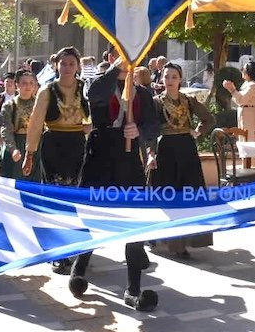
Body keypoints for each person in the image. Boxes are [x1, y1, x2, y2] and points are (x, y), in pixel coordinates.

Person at [69, 59, 159, 309]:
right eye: (121, 58)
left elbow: (153, 124)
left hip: (129, 159)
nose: (127, 64)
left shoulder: (142, 93)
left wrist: (139, 131)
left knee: (135, 216)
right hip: (100, 155)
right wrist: (115, 70)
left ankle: (133, 287)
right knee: (93, 212)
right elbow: (95, 97)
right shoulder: (99, 83)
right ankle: (80, 264)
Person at [22, 47, 92, 274]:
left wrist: (90, 128)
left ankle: (73, 246)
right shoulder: (47, 90)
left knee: (73, 197)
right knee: (54, 196)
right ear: (56, 65)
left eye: (72, 63)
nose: (68, 68)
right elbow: (35, 123)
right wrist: (29, 153)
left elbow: (90, 115)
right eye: (64, 64)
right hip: (54, 145)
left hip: (76, 145)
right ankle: (56, 251)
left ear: (78, 66)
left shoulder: (83, 88)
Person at [148, 62, 215, 258]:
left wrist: (197, 132)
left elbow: (208, 119)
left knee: (189, 194)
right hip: (165, 149)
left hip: (186, 149)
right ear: (162, 78)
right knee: (166, 194)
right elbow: (151, 130)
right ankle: (165, 239)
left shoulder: (189, 100)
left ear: (180, 79)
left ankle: (185, 240)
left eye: (174, 77)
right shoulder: (156, 102)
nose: (169, 81)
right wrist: (151, 153)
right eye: (166, 77)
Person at [0, 69, 42, 181]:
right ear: (17, 85)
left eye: (31, 83)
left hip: (36, 146)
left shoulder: (40, 105)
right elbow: (6, 129)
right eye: (24, 83)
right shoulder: (10, 105)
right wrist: (13, 149)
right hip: (17, 144)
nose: (28, 86)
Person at [223, 61, 255, 141]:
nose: (241, 71)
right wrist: (232, 90)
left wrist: (232, 90)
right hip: (245, 112)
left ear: (249, 72)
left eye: (243, 69)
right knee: (243, 136)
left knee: (250, 137)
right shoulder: (246, 84)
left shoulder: (253, 85)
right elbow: (238, 100)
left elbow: (242, 100)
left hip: (250, 113)